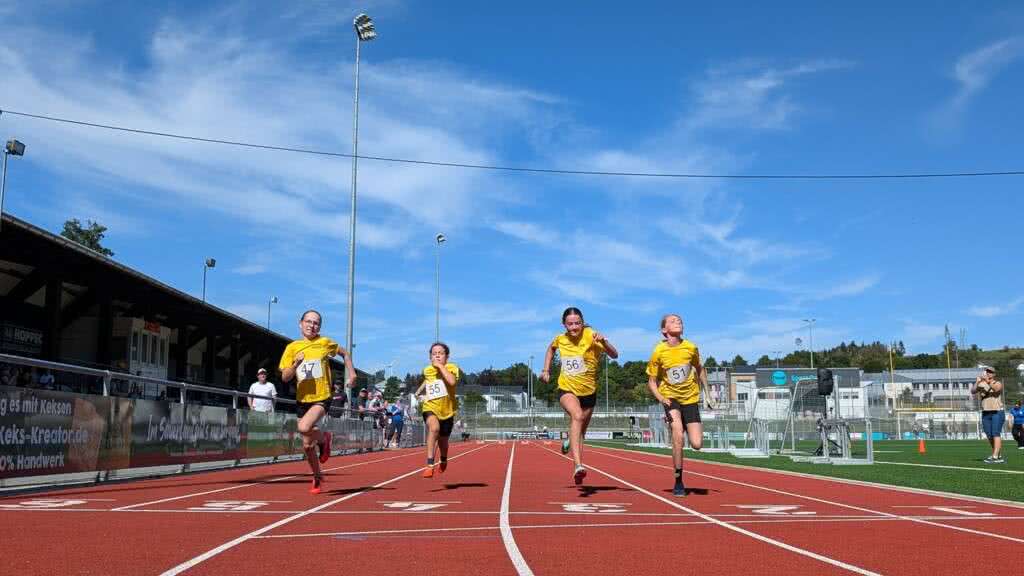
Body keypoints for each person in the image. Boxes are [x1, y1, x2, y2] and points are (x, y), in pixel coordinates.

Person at [540, 307, 618, 485]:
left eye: (577, 323)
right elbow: (550, 349)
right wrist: (546, 370)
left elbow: (615, 355)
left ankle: (570, 441)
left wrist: (605, 342)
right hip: (566, 388)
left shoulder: (591, 335)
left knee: (581, 431)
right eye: (570, 324)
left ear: (583, 323)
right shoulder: (561, 339)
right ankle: (578, 465)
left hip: (589, 391)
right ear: (564, 325)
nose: (574, 327)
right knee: (577, 416)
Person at [279, 310, 355, 494]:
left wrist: (352, 373)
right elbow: (285, 377)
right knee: (306, 445)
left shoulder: (325, 343)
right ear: (300, 323)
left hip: (322, 397)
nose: (312, 326)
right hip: (302, 399)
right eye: (309, 322)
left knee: (304, 427)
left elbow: (344, 353)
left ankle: (323, 439)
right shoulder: (292, 347)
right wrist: (296, 364)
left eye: (316, 323)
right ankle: (317, 476)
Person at [646, 313, 708, 497]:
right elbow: (651, 381)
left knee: (697, 444)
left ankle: (682, 425)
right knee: (678, 434)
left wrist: (708, 392)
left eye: (680, 320)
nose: (678, 322)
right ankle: (678, 480)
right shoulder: (659, 351)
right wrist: (660, 397)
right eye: (673, 321)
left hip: (690, 398)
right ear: (664, 330)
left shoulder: (691, 347)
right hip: (670, 398)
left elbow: (700, 369)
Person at [414, 342, 460, 478]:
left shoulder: (452, 367)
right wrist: (419, 390)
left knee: (443, 441)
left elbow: (451, 381)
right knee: (434, 428)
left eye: (440, 353)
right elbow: (428, 380)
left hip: (447, 410)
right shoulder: (427, 370)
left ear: (447, 356)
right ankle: (429, 464)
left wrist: (440, 366)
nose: (437, 355)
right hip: (430, 406)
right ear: (430, 357)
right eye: (434, 354)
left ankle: (444, 459)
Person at [971, 366, 1005, 464]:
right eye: (987, 371)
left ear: (994, 374)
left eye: (990, 372)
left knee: (995, 433)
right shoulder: (981, 383)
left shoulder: (997, 383)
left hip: (997, 411)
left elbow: (996, 389)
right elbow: (973, 391)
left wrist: (987, 381)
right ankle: (998, 454)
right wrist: (977, 382)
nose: (988, 373)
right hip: (986, 412)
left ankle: (995, 456)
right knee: (989, 435)